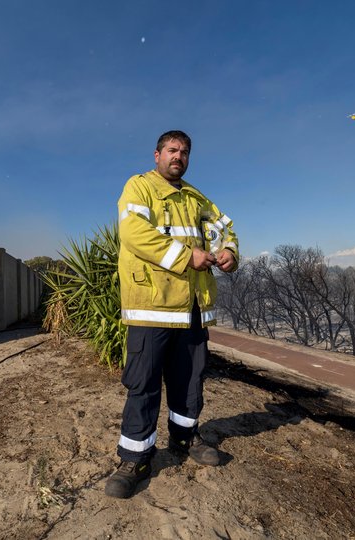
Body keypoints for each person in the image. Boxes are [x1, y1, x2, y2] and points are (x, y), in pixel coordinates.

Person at [105, 130, 239, 499]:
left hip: (192, 309)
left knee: (190, 379)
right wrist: (185, 257)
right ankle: (135, 458)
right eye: (171, 150)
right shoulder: (139, 187)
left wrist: (229, 252)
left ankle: (184, 438)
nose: (177, 156)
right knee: (143, 384)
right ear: (157, 155)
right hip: (151, 307)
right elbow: (133, 233)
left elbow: (225, 230)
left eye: (184, 152)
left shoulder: (197, 197)